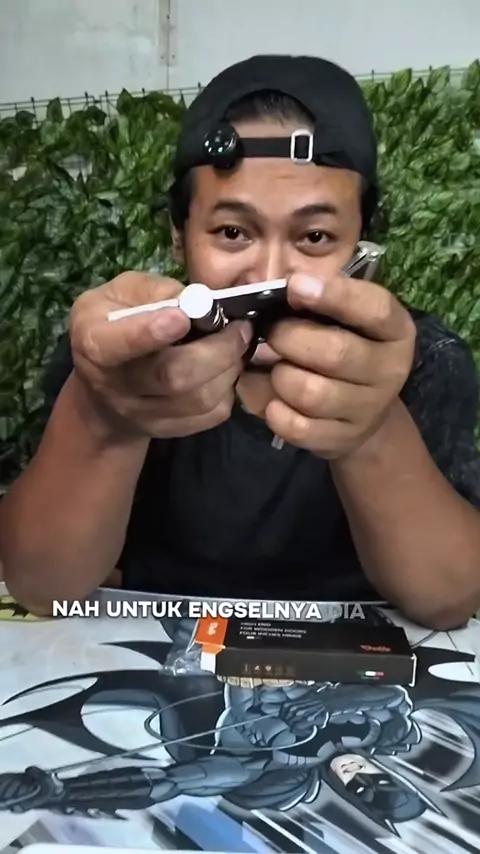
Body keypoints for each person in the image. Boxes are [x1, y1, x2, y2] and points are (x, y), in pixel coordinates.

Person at [1, 55, 480, 628]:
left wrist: (371, 428)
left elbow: (448, 599)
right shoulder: (122, 354)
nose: (269, 275)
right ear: (178, 236)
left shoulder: (423, 360)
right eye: (232, 232)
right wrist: (101, 415)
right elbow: (42, 587)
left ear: (362, 245)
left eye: (315, 236)